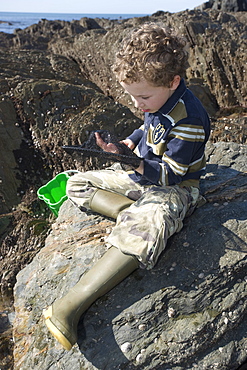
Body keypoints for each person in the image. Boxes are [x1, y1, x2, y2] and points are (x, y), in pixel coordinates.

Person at [43, 23, 211, 350]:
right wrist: (129, 143)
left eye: (143, 96)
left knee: (149, 229)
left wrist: (134, 163)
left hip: (172, 186)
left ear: (173, 82)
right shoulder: (157, 102)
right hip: (139, 177)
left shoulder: (188, 120)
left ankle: (69, 305)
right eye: (133, 96)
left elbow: (172, 176)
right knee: (77, 183)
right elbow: (147, 124)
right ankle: (127, 213)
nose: (138, 104)